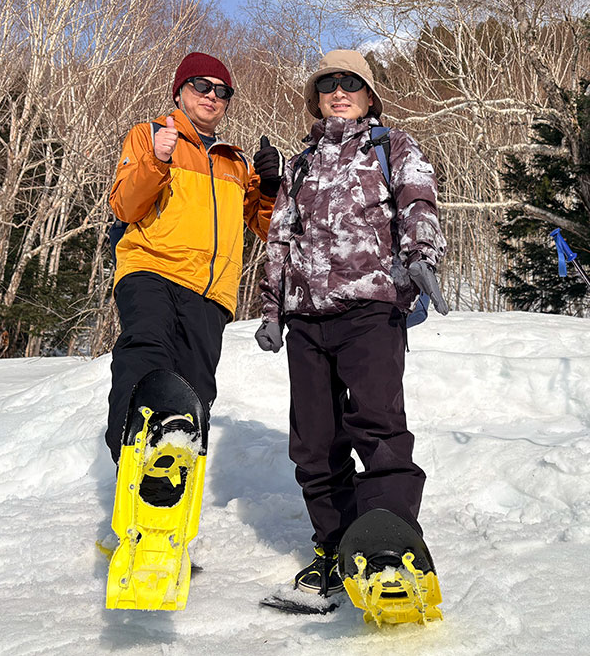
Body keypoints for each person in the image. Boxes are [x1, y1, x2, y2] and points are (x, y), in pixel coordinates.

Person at [256, 50, 448, 596]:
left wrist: (421, 254)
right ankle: (337, 549)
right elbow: (280, 239)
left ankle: (391, 547)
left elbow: (417, 199)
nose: (338, 91)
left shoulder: (392, 146)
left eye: (350, 83)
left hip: (370, 308)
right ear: (317, 97)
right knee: (315, 445)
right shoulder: (300, 163)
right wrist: (272, 308)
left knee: (379, 431)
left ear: (368, 94)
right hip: (307, 322)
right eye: (328, 84)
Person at [106, 52, 281, 463]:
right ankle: (132, 455)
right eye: (201, 86)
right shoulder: (149, 135)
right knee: (146, 356)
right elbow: (124, 206)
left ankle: (174, 476)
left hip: (211, 291)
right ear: (180, 92)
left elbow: (269, 229)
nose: (212, 96)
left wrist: (271, 187)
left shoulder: (235, 162)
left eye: (223, 92)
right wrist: (158, 160)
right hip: (152, 270)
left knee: (195, 389)